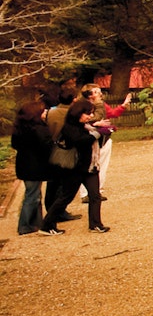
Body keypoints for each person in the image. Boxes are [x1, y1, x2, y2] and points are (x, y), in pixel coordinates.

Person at [40, 98, 106, 235]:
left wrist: (99, 130)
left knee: (95, 195)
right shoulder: (69, 127)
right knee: (66, 197)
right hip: (74, 169)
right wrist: (97, 133)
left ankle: (95, 224)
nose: (90, 116)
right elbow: (80, 141)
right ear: (78, 113)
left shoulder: (86, 126)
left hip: (90, 167)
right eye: (88, 113)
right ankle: (47, 224)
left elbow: (94, 140)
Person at [76, 84, 132, 203]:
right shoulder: (82, 107)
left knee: (101, 165)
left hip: (103, 138)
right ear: (89, 95)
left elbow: (112, 113)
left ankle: (97, 190)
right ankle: (85, 193)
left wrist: (123, 105)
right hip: (89, 138)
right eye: (96, 92)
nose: (100, 94)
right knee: (87, 164)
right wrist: (95, 124)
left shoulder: (101, 105)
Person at [11, 100, 53, 235]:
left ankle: (36, 222)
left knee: (34, 194)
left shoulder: (20, 128)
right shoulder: (38, 129)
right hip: (34, 166)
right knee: (32, 195)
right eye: (43, 111)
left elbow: (15, 144)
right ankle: (24, 225)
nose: (46, 112)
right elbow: (46, 146)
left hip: (25, 164)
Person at [43, 85, 80, 224]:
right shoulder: (71, 114)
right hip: (64, 149)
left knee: (52, 182)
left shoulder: (51, 112)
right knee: (63, 184)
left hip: (50, 148)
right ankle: (58, 212)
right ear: (73, 99)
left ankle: (51, 207)